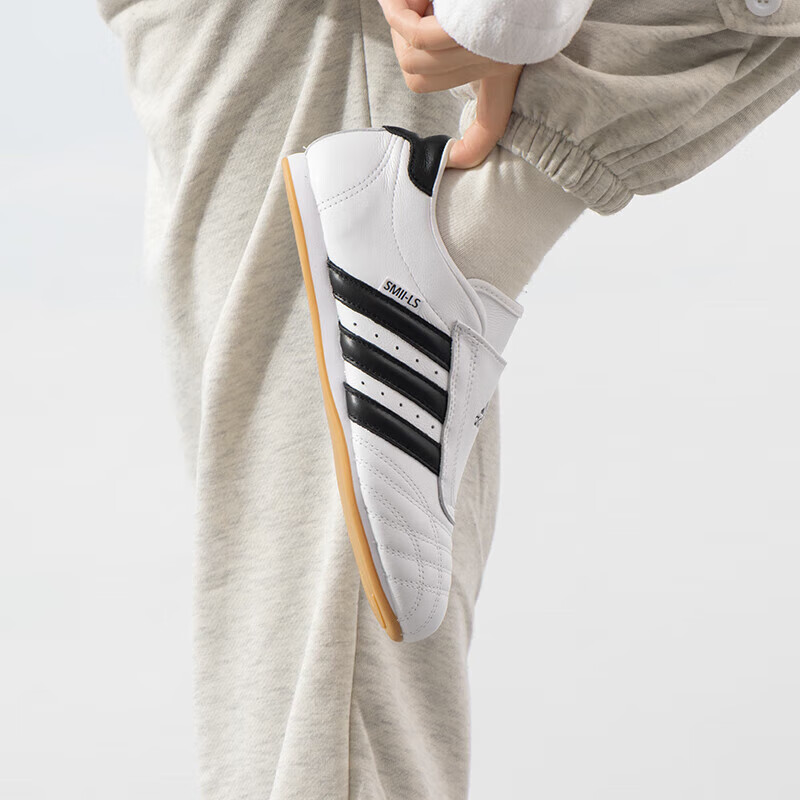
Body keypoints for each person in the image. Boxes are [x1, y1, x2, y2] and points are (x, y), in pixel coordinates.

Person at [98, 0, 800, 796]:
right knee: (342, 687)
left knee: (305, 654)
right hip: (334, 39)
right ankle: (458, 238)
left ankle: (463, 237)